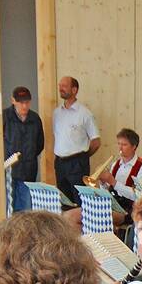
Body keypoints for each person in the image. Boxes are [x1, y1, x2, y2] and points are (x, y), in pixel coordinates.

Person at [52, 75, 101, 205]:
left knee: (79, 201)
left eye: (64, 86)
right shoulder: (57, 113)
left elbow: (96, 142)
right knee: (64, 201)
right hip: (60, 163)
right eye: (60, 85)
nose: (60, 88)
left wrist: (82, 156)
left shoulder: (85, 114)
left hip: (77, 163)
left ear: (74, 90)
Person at [97, 127, 142, 226]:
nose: (120, 148)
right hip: (113, 205)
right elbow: (108, 190)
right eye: (119, 144)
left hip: (130, 209)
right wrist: (103, 183)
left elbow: (138, 196)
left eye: (124, 145)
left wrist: (113, 182)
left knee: (100, 217)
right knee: (86, 213)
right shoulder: (115, 164)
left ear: (134, 146)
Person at [3, 86, 45, 184]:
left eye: (27, 102)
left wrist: (29, 156)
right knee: (9, 199)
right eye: (21, 103)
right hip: (9, 171)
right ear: (13, 101)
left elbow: (40, 144)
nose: (25, 106)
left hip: (29, 171)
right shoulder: (4, 117)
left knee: (26, 198)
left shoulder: (35, 118)